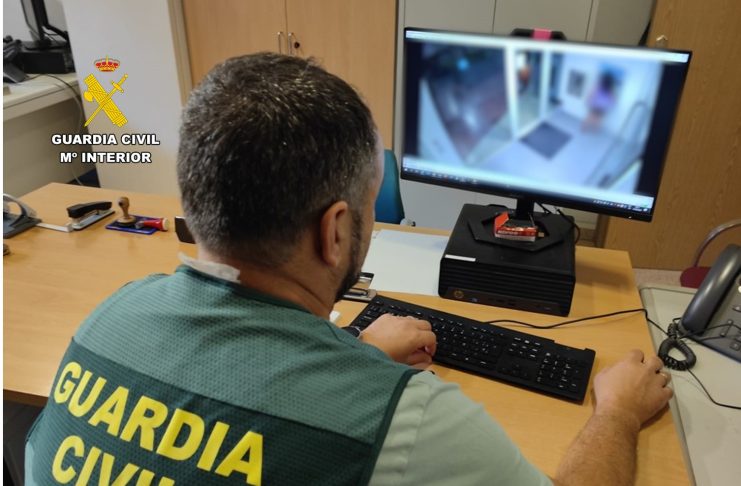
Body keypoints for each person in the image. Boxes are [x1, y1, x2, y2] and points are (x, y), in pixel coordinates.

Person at [26, 53, 672, 486]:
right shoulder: (408, 423)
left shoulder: (112, 315)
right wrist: (616, 412)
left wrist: (350, 351)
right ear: (335, 231)